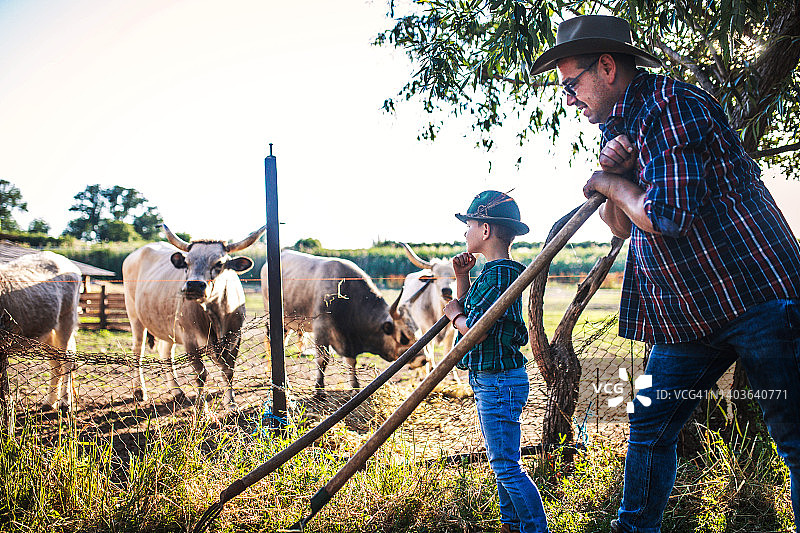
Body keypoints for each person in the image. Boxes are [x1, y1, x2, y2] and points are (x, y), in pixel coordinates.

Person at [529, 14, 800, 533]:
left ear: (606, 67)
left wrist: (609, 182)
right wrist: (616, 178)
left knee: (794, 435)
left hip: (757, 295)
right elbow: (622, 229)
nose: (567, 99)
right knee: (650, 428)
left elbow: (667, 218)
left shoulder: (671, 108)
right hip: (691, 312)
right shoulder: (618, 126)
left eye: (571, 84)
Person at [443, 190, 549, 533]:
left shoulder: (499, 275)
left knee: (505, 465)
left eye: (470, 224)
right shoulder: (494, 274)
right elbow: (474, 312)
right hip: (493, 379)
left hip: (499, 381)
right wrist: (462, 280)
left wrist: (455, 316)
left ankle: (534, 529)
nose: (465, 232)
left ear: (485, 229)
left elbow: (476, 330)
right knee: (502, 460)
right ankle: (510, 525)